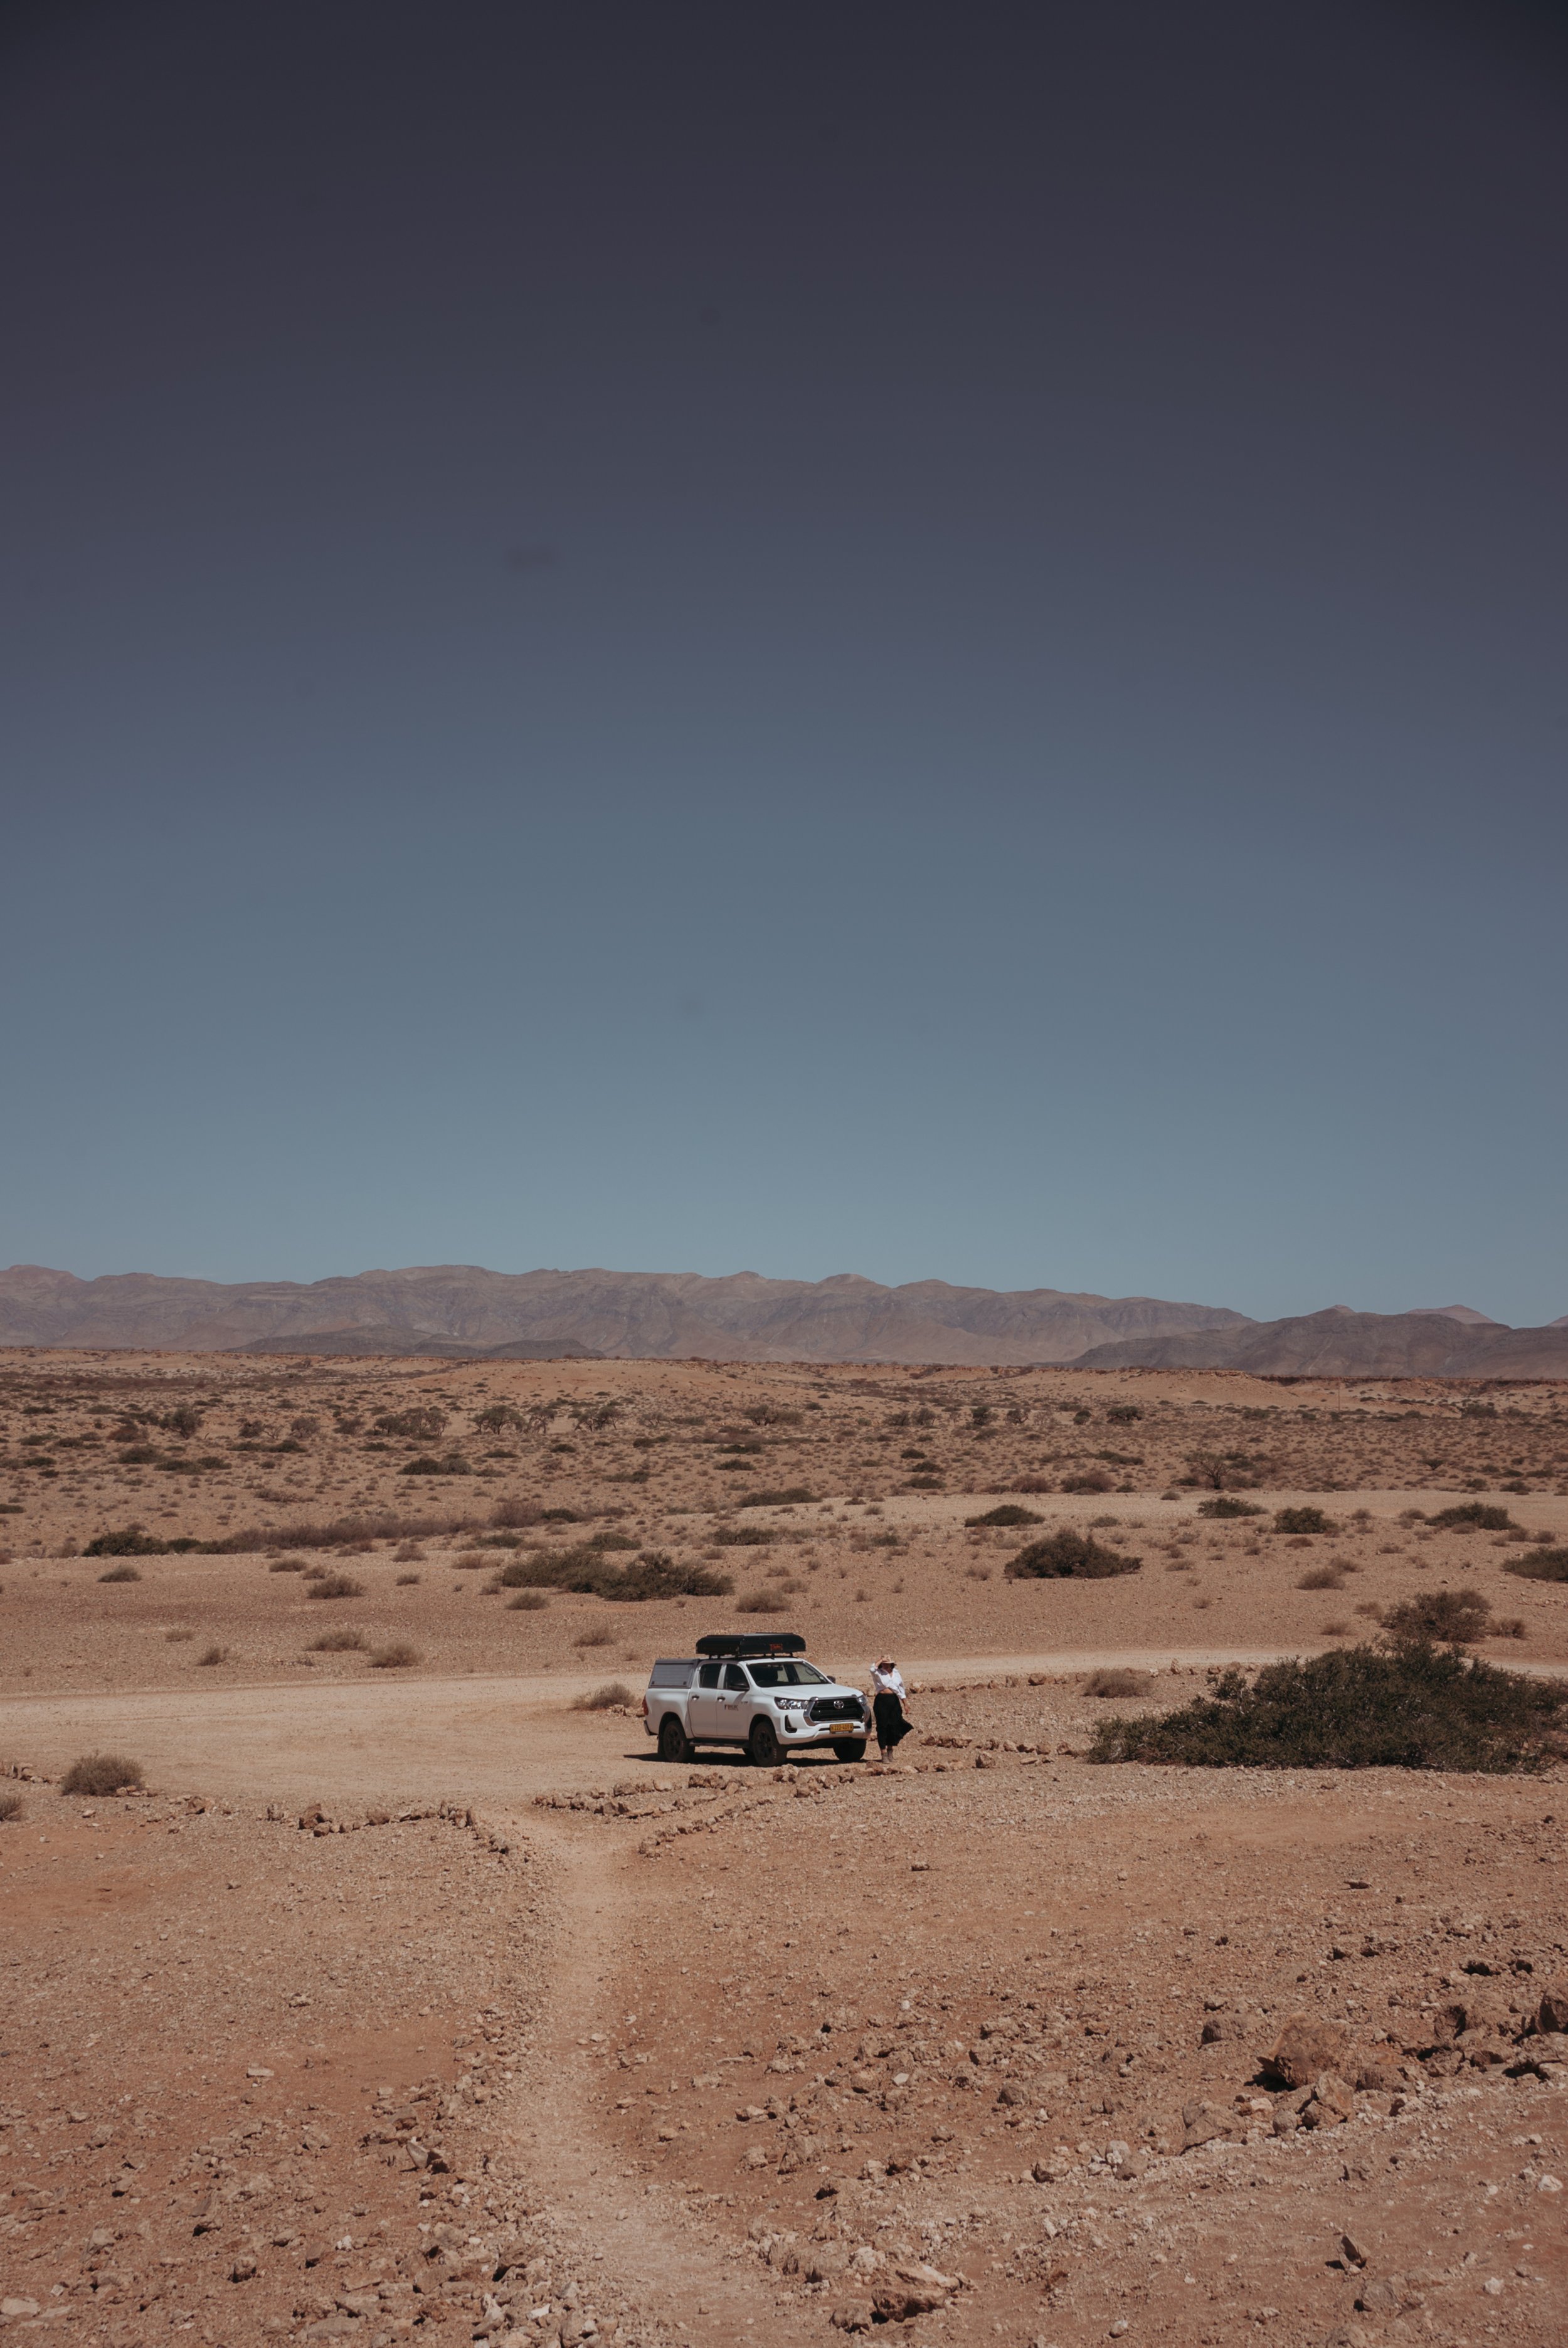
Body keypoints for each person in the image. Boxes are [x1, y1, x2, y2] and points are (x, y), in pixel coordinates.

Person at [869, 1656, 911, 1757]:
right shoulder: (879, 1673)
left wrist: (905, 1704)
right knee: (882, 1726)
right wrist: (881, 1659)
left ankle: (890, 1749)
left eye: (887, 1663)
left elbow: (901, 1689)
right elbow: (872, 1669)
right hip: (882, 1701)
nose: (885, 1665)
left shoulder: (896, 1673)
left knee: (894, 1725)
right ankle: (883, 1752)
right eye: (884, 1663)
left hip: (894, 1701)